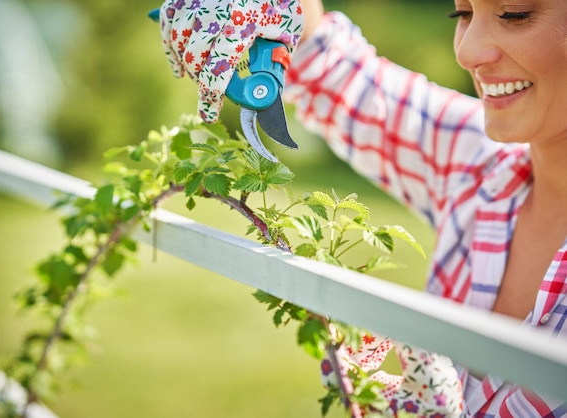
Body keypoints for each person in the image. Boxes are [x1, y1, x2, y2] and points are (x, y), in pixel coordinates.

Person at [155, 0, 567, 416]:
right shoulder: (479, 166)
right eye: (462, 14)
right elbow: (338, 75)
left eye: (514, 13)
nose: (466, 51)